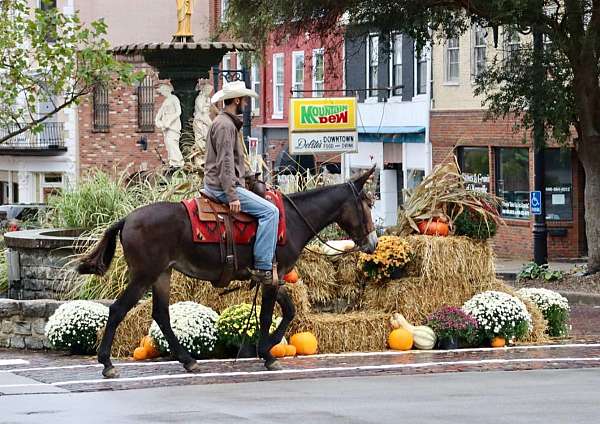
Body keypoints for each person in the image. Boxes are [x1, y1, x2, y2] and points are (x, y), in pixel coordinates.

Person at [203, 81, 279, 286]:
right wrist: (232, 195)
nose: (245, 104)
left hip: (221, 184)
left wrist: (253, 178)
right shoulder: (226, 126)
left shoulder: (225, 123)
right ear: (236, 100)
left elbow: (235, 162)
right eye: (244, 100)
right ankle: (263, 267)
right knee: (271, 212)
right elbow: (225, 164)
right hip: (221, 188)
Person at [155, 84, 184, 170]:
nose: (162, 93)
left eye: (163, 91)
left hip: (173, 126)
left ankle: (178, 162)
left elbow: (178, 111)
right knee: (168, 144)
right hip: (166, 127)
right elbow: (158, 116)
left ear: (167, 90)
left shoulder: (174, 98)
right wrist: (160, 123)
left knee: (172, 143)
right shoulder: (166, 101)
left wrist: (170, 121)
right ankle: (172, 162)